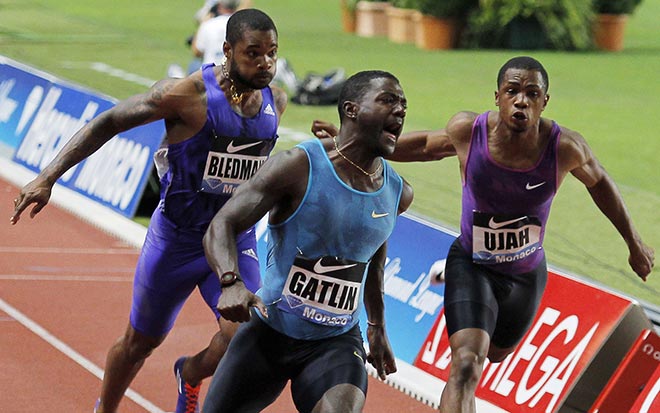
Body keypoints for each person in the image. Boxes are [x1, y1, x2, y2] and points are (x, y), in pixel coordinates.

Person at [313, 56, 654, 413]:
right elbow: (428, 146)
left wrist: (634, 243)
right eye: (513, 91)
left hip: (524, 275)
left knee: (496, 354)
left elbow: (599, 182)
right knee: (465, 365)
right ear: (498, 96)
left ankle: (474, 306)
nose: (521, 100)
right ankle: (457, 285)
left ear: (544, 101)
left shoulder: (565, 147)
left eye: (531, 93)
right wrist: (350, 142)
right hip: (471, 264)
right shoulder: (468, 131)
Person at [10, 9, 286, 413]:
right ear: (227, 51)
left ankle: (190, 372)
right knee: (140, 343)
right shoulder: (187, 96)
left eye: (272, 53)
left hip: (231, 237)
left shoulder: (274, 101)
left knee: (246, 334)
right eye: (254, 53)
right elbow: (108, 122)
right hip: (177, 240)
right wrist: (47, 177)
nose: (266, 64)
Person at [200, 70, 413, 413]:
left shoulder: (398, 192)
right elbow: (223, 223)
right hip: (268, 332)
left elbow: (373, 255)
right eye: (388, 100)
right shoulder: (298, 166)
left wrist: (377, 325)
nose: (400, 111)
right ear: (352, 109)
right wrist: (230, 281)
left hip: (335, 343)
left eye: (404, 104)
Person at [191, 0, 241, 69]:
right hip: (232, 73)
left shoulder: (208, 24)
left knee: (194, 64)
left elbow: (197, 52)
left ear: (219, 6)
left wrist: (201, 26)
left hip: (210, 73)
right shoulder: (240, 25)